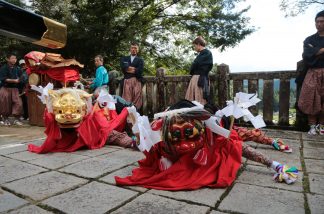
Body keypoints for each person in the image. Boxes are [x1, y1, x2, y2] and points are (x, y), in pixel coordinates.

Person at [115, 100, 298, 190]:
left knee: (241, 136)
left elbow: (240, 147)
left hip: (216, 129)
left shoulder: (214, 133)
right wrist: (137, 132)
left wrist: (275, 165)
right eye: (178, 136)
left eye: (188, 135)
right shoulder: (163, 132)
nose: (185, 144)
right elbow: (144, 146)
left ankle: (271, 140)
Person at [298, 10, 324, 135]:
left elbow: (312, 52)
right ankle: (312, 126)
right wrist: (321, 50)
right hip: (312, 73)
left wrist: (315, 50)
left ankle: (322, 126)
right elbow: (306, 55)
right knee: (310, 99)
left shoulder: (311, 42)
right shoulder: (309, 39)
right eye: (317, 21)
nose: (319, 24)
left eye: (322, 21)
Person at [185, 36, 213, 105]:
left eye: (194, 46)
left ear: (198, 44)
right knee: (193, 99)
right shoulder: (203, 53)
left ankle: (201, 114)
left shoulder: (206, 53)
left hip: (200, 78)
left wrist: (192, 71)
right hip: (198, 78)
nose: (194, 48)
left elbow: (196, 64)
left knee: (199, 99)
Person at [0, 53, 23, 126]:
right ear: (7, 59)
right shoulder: (3, 68)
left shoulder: (18, 68)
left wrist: (22, 79)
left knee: (18, 103)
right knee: (5, 103)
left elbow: (21, 77)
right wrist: (14, 80)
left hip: (15, 88)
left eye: (15, 58)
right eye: (12, 58)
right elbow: (3, 79)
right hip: (5, 88)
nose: (14, 60)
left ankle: (16, 119)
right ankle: (5, 118)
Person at [120, 42, 144, 110]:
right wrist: (134, 69)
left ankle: (136, 116)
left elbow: (139, 72)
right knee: (126, 100)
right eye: (132, 48)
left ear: (138, 50)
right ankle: (127, 116)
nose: (133, 49)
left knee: (137, 100)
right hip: (127, 81)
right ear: (130, 49)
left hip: (137, 81)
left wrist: (129, 69)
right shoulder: (124, 59)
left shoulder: (140, 60)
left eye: (135, 48)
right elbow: (124, 69)